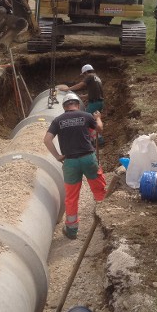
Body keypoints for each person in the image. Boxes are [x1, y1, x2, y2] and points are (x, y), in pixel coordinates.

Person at [43, 92, 106, 240]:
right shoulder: (86, 116)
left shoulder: (58, 120)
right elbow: (99, 130)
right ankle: (104, 224)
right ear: (77, 104)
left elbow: (47, 140)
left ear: (64, 106)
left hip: (70, 162)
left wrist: (58, 156)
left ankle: (71, 231)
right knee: (99, 190)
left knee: (71, 197)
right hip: (88, 159)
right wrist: (98, 118)